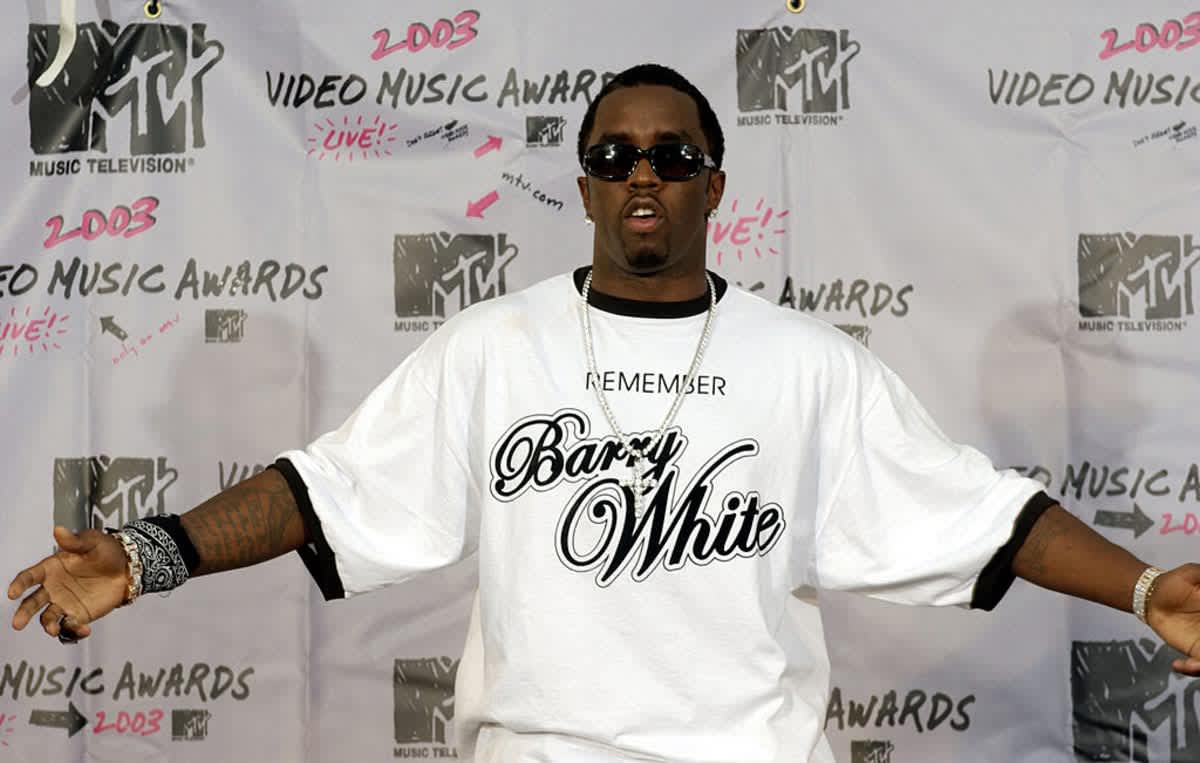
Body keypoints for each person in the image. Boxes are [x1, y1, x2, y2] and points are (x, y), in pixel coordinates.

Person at [9, 63, 1200, 763]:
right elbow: (323, 489)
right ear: (582, 181)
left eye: (673, 156)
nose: (644, 174)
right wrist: (151, 553)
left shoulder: (804, 363)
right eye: (616, 154)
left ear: (715, 186)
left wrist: (1147, 592)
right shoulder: (495, 344)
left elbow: (986, 517)